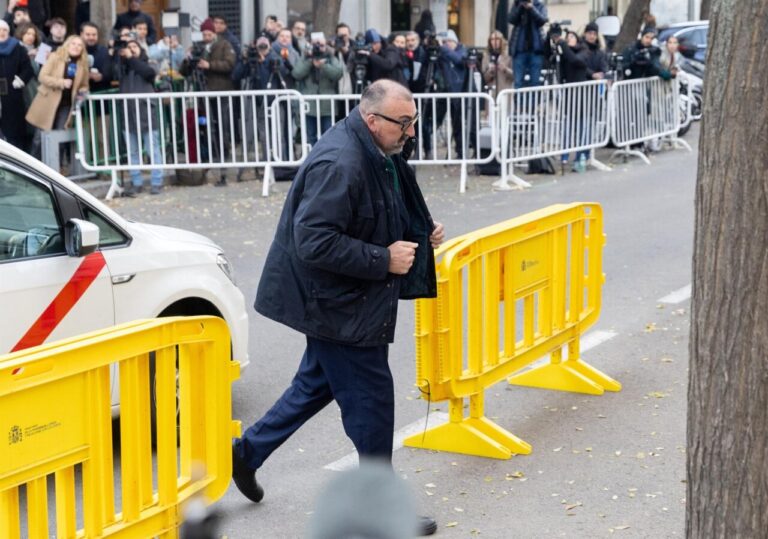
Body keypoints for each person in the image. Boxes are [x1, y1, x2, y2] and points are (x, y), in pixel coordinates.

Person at [231, 79, 443, 538]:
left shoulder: (373, 150)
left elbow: (377, 207)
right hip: (339, 306)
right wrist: (382, 258)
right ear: (373, 120)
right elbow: (314, 240)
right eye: (404, 124)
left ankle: (246, 452)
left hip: (342, 300)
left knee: (314, 387)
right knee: (372, 406)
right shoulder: (341, 162)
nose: (410, 132)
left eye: (413, 122)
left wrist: (420, 230)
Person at [179, 17, 235, 185]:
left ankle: (223, 156)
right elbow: (185, 72)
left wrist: (209, 65)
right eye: (204, 33)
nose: (206, 36)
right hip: (202, 94)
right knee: (204, 125)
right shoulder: (198, 48)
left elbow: (229, 64)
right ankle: (208, 154)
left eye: (209, 33)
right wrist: (187, 59)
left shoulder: (224, 45)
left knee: (221, 125)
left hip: (220, 92)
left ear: (214, 33)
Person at [26, 35, 89, 158]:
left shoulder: (82, 65)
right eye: (73, 44)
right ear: (67, 45)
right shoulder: (56, 57)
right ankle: (32, 164)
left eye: (79, 45)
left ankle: (55, 168)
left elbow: (84, 84)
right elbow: (42, 76)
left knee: (60, 135)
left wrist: (83, 90)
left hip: (66, 105)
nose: (76, 47)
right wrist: (61, 82)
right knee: (39, 137)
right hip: (48, 102)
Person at [116, 38, 164, 195]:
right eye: (128, 47)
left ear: (140, 49)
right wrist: (117, 55)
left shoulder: (148, 62)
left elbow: (149, 73)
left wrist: (131, 58)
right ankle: (136, 182)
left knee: (152, 149)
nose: (131, 49)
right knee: (132, 151)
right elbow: (111, 72)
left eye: (134, 46)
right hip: (128, 114)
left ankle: (157, 181)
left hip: (145, 112)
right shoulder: (122, 65)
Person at [291, 34, 343, 145]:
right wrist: (310, 62)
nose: (318, 47)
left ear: (326, 46)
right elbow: (296, 73)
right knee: (310, 136)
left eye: (321, 45)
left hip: (327, 105)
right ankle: (313, 160)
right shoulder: (305, 57)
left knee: (328, 135)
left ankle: (326, 160)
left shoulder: (331, 57)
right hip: (309, 106)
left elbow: (338, 74)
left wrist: (324, 66)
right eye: (315, 44)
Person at [0, 19, 33, 149]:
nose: (1, 33)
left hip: (13, 95)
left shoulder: (17, 48)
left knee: (15, 132)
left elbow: (28, 69)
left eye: (4, 30)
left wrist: (20, 80)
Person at [508, 0, 548, 88]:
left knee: (535, 82)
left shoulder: (539, 5)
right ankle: (519, 102)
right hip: (519, 50)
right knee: (518, 82)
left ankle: (534, 102)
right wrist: (521, 7)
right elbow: (511, 19)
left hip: (536, 51)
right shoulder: (517, 4)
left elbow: (543, 20)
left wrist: (531, 8)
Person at [80, 22, 113, 93]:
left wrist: (102, 77)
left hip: (102, 93)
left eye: (94, 35)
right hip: (81, 94)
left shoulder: (104, 51)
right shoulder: (76, 51)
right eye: (88, 34)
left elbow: (112, 72)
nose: (91, 37)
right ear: (81, 34)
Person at [482, 30, 513, 99]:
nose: (494, 42)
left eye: (497, 39)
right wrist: (490, 71)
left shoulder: (509, 56)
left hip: (505, 93)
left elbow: (515, 75)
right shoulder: (486, 56)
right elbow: (484, 78)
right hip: (491, 94)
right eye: (492, 40)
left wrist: (505, 69)